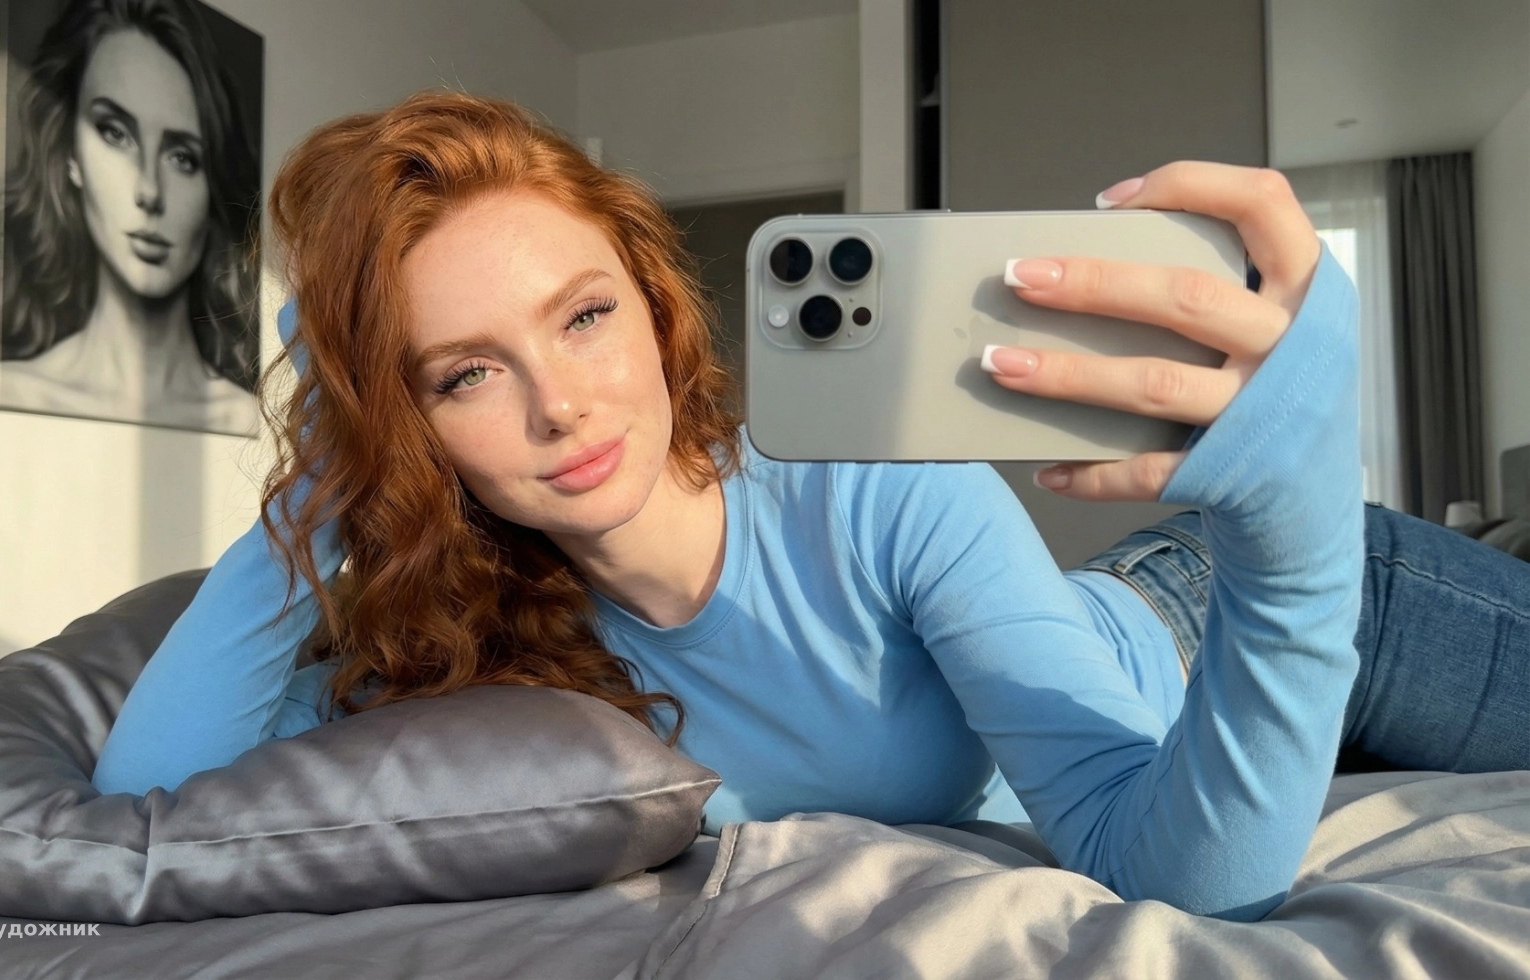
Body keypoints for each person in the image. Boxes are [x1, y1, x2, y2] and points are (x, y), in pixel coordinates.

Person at [90, 92, 1530, 921]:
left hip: (1254, 603)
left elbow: (1176, 872)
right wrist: (330, 461)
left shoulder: (869, 497)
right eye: (465, 372)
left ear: (655, 306)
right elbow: (142, 805)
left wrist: (1290, 546)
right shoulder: (478, 646)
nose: (560, 407)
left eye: (583, 316)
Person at [0, 0, 261, 436]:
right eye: (115, 133)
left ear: (212, 185)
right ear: (72, 156)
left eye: (182, 157)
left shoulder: (249, 418)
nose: (149, 192)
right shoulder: (19, 387)